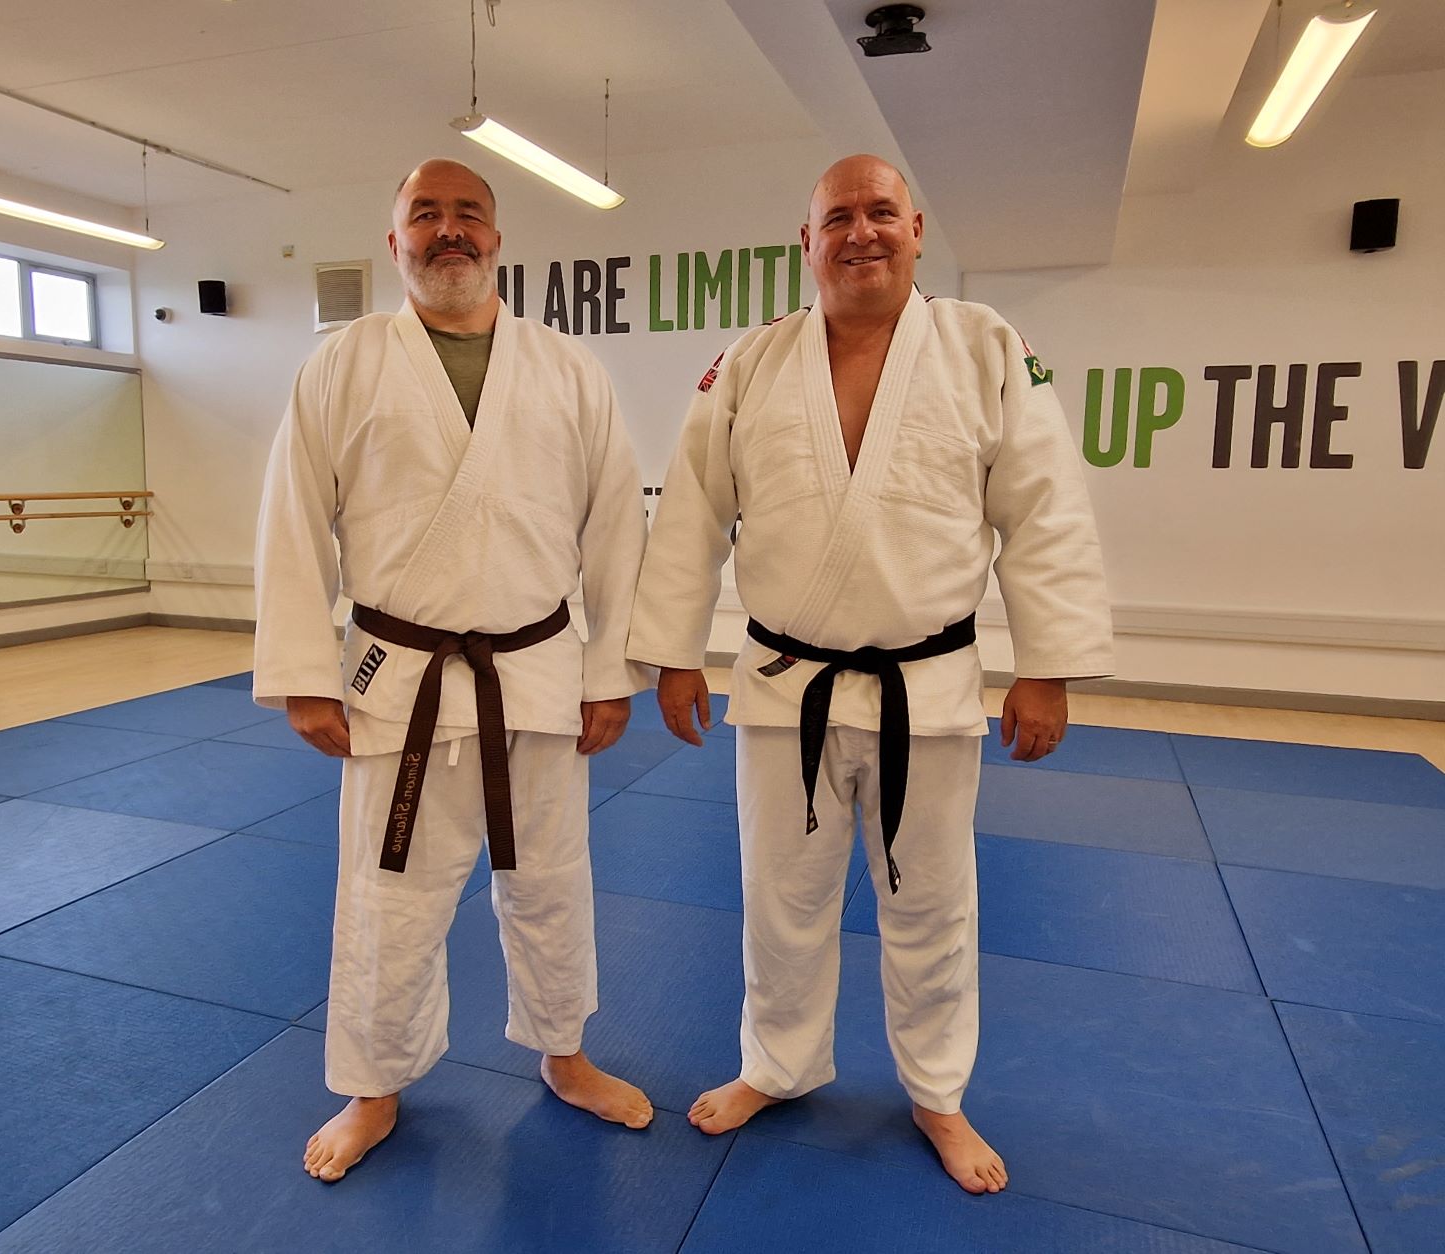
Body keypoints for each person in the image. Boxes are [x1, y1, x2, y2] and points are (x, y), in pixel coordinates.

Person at [628, 154, 1113, 1194]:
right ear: (805, 241)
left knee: (931, 903)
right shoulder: (750, 364)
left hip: (927, 689)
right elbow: (691, 519)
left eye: (880, 212)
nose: (861, 233)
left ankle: (936, 1092)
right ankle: (779, 1065)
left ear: (918, 228)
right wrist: (673, 654)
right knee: (780, 898)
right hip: (781, 683)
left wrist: (1048, 664)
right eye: (836, 216)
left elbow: (1044, 511)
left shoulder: (985, 348)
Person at [254, 158, 655, 1185]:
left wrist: (611, 667)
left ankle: (564, 1056)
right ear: (394, 244)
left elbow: (616, 527)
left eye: (467, 215)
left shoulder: (568, 370)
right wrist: (304, 669)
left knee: (551, 882)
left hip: (537, 672)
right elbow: (294, 516)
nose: (447, 232)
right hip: (401, 674)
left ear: (498, 238)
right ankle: (375, 1085)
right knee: (390, 891)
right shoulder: (342, 365)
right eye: (423, 216)